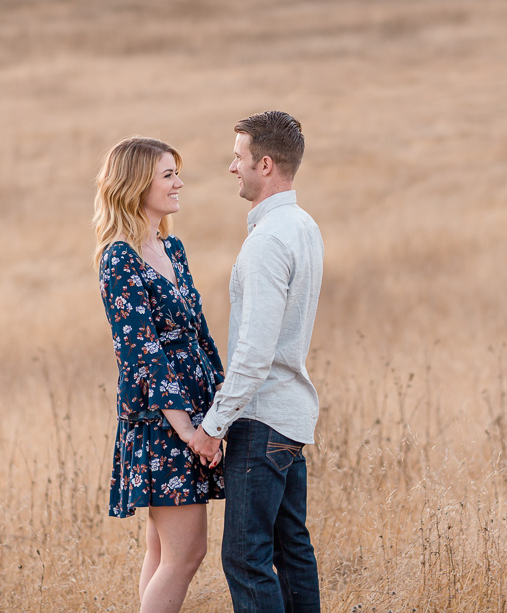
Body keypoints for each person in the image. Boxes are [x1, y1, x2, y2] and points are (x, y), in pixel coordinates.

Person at [189, 111, 324, 613]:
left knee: (246, 558)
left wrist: (214, 425)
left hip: (261, 421)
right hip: (289, 420)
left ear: (265, 165)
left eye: (239, 158)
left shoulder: (267, 241)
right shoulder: (303, 226)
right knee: (292, 552)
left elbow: (254, 352)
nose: (232, 168)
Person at [93, 136, 225, 613]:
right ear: (136, 183)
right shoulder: (119, 257)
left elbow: (199, 334)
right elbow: (141, 352)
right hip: (162, 422)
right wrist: (188, 428)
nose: (179, 183)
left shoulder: (173, 248)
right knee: (187, 553)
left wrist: (221, 406)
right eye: (168, 175)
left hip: (193, 415)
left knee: (162, 550)